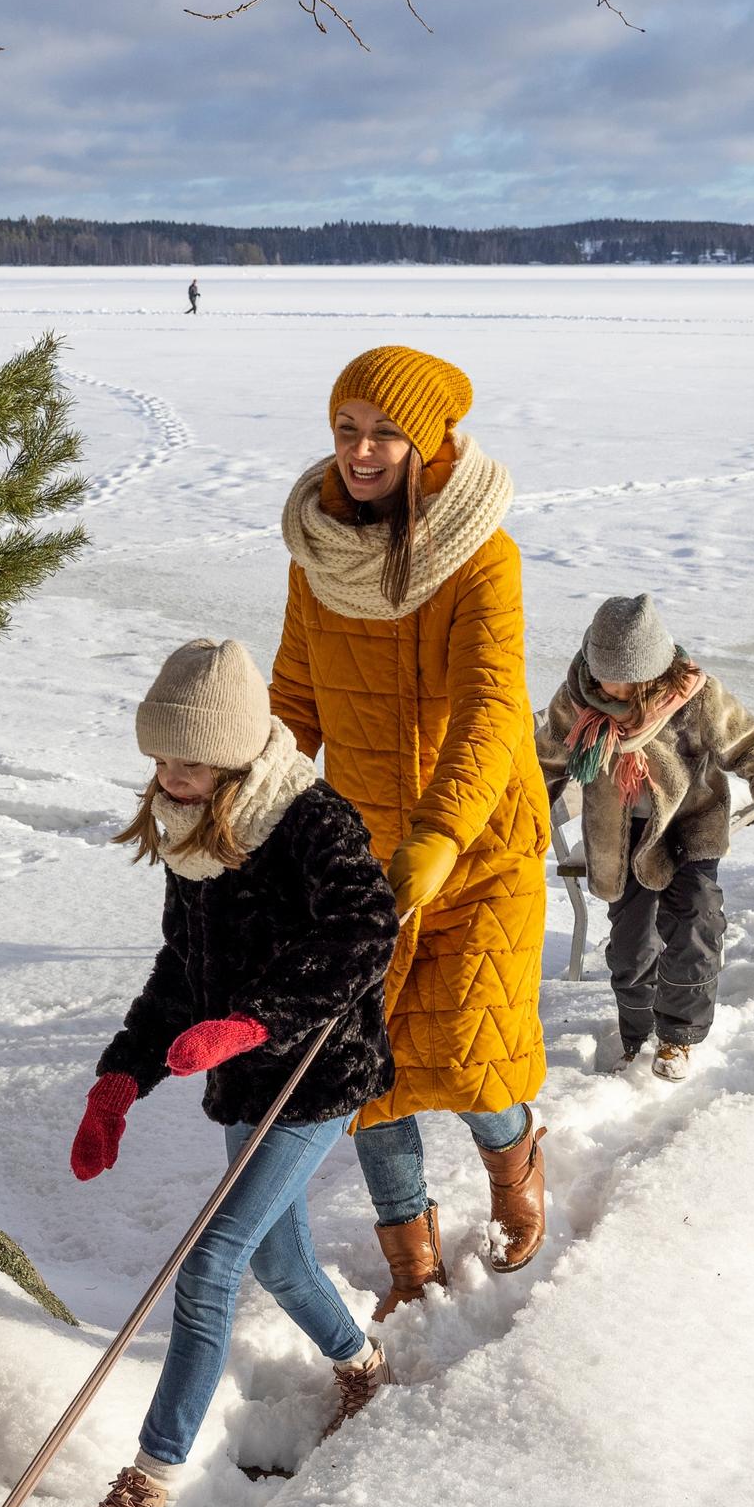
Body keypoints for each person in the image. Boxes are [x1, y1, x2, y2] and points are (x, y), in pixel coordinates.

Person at [66, 638, 400, 1507]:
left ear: (238, 753)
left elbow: (368, 931)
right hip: (246, 1079)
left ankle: (146, 1491)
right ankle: (363, 1365)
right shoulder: (191, 836)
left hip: (315, 1070)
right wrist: (119, 1080)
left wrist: (257, 1018)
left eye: (190, 760)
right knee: (276, 1256)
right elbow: (182, 969)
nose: (171, 777)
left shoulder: (307, 818)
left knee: (208, 1263)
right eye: (161, 759)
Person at [270, 344, 551, 1321]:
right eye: (346, 427)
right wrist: (241, 799)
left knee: (472, 1051)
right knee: (370, 1073)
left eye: (385, 429)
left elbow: (489, 711)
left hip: (475, 839)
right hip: (365, 851)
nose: (361, 449)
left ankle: (516, 1165)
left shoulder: (482, 555)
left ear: (429, 441)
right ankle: (410, 1257)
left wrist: (437, 835)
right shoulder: (317, 555)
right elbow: (295, 702)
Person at [538, 594, 754, 1081]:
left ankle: (677, 1038)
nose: (613, 687)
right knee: (629, 947)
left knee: (696, 923)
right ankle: (635, 1034)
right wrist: (513, 826)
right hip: (617, 836)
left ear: (650, 671)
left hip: (686, 828)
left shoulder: (695, 696)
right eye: (605, 674)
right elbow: (544, 766)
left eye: (626, 678)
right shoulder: (577, 699)